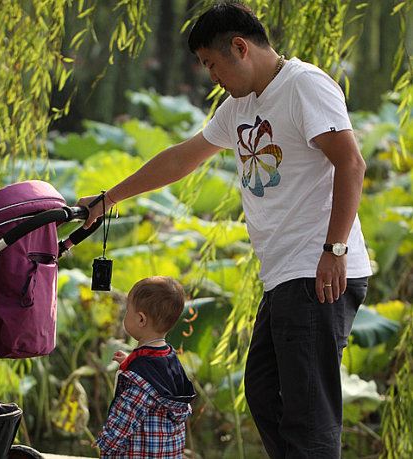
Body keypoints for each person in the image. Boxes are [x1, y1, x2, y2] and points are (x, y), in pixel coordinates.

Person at [79, 2, 372, 457]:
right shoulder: (240, 106)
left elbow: (351, 163)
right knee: (262, 390)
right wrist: (109, 198)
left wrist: (334, 249)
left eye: (212, 64)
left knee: (308, 410)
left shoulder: (304, 85)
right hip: (283, 275)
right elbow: (181, 158)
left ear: (240, 47)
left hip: (317, 270)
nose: (210, 76)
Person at [95, 276, 196, 457]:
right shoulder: (170, 358)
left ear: (141, 320)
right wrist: (129, 362)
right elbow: (157, 380)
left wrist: (104, 445)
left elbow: (123, 422)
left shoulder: (138, 381)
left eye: (127, 311)